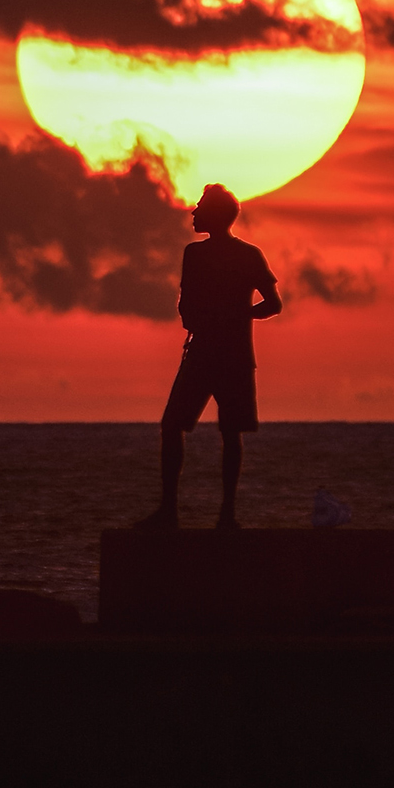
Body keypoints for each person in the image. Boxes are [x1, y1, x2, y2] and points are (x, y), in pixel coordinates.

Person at [137, 182, 281, 532]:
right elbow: (185, 301)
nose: (193, 211)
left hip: (229, 357)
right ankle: (170, 511)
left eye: (200, 206)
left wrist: (236, 315)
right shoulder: (195, 254)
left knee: (229, 432)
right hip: (203, 352)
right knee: (173, 426)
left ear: (215, 215)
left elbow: (273, 304)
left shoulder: (247, 254)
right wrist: (195, 316)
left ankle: (225, 514)